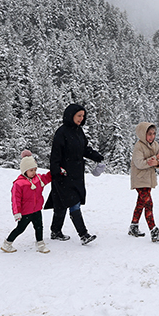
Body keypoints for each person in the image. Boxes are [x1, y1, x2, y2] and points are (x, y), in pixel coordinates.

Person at [45, 103, 104, 245]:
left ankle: (55, 231)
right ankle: (84, 235)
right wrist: (57, 171)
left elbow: (84, 149)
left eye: (83, 116)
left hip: (77, 174)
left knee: (61, 204)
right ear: (71, 115)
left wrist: (97, 157)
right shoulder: (62, 132)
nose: (81, 118)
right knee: (74, 203)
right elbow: (55, 155)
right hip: (63, 174)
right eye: (79, 115)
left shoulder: (79, 132)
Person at [2, 150, 52, 254]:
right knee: (20, 229)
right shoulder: (19, 184)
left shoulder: (38, 179)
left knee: (39, 227)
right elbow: (15, 200)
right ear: (24, 171)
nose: (34, 172)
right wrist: (17, 213)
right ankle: (7, 243)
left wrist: (56, 170)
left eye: (35, 169)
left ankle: (40, 244)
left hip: (37, 210)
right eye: (31, 170)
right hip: (25, 212)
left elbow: (48, 177)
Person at [128, 122, 159, 242]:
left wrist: (157, 162)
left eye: (154, 134)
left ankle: (133, 226)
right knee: (148, 203)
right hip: (140, 179)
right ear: (142, 134)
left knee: (141, 203)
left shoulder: (155, 145)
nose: (152, 136)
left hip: (149, 179)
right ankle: (153, 230)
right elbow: (139, 163)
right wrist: (154, 160)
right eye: (149, 134)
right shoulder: (138, 146)